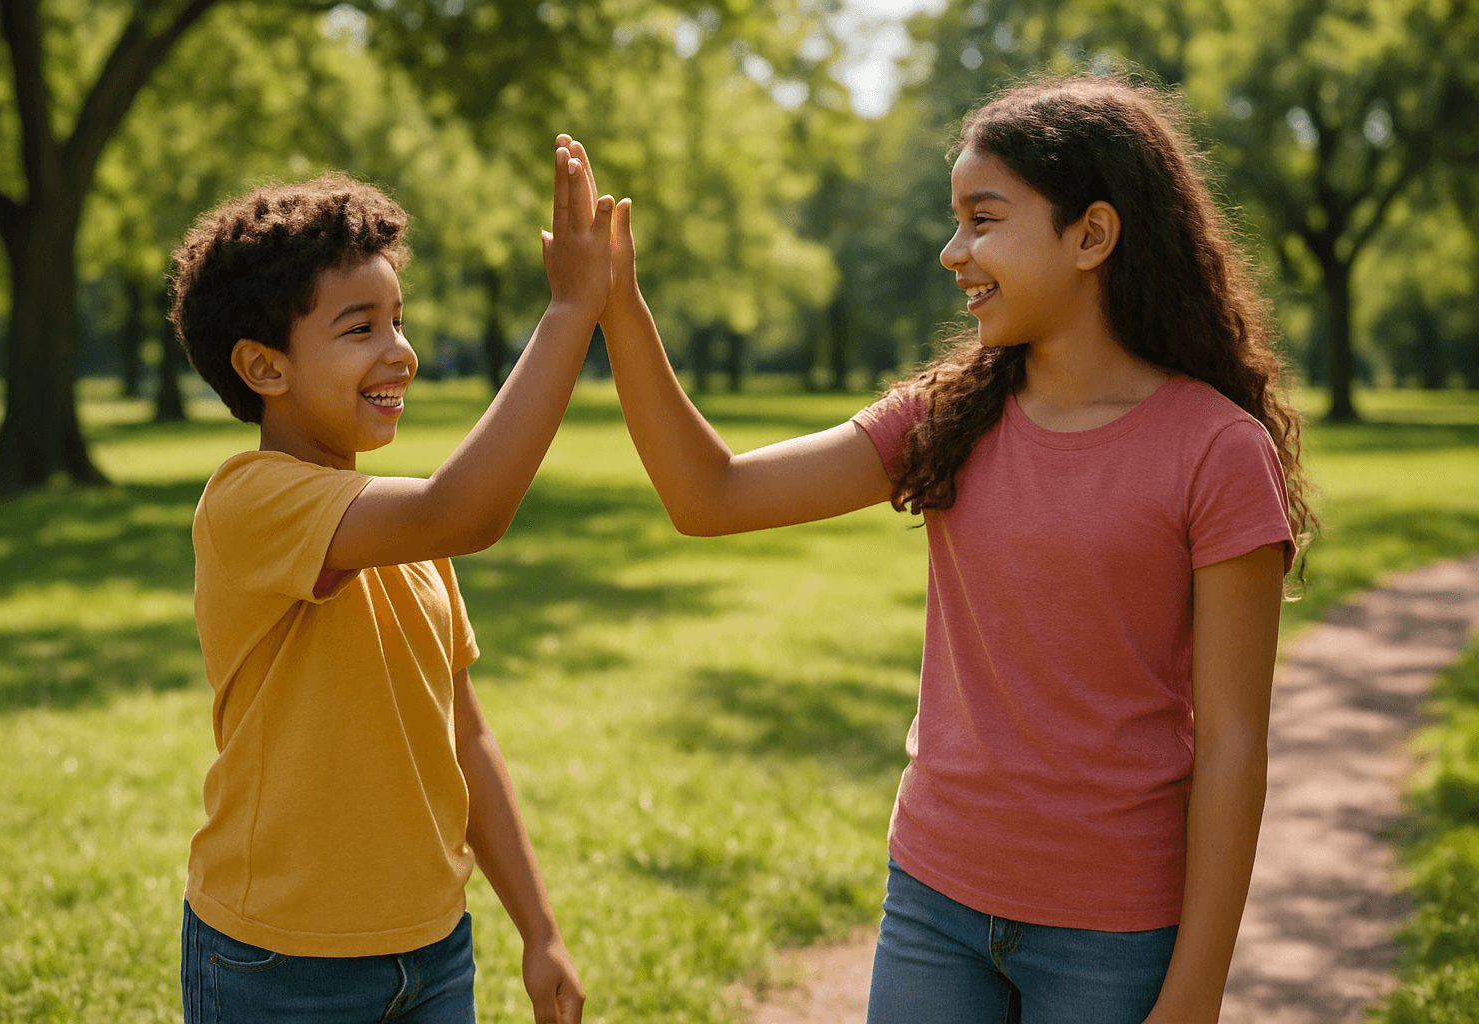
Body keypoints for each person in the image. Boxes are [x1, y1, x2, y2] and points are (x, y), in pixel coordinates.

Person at [587, 75, 1315, 1024]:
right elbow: (710, 496)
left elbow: (1230, 751)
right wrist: (620, 309)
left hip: (1114, 932)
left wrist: (1195, 995)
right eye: (955, 220)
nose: (952, 251)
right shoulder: (945, 417)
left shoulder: (1216, 452)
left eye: (984, 219)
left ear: (1091, 235)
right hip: (934, 901)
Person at [167, 140, 614, 1024]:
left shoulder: (405, 527)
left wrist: (539, 929)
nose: (401, 352)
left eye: (398, 319)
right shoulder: (249, 501)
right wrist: (569, 310)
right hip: (278, 961)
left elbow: (467, 737)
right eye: (360, 327)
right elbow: (468, 509)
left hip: (433, 949)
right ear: (265, 367)